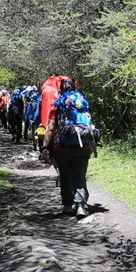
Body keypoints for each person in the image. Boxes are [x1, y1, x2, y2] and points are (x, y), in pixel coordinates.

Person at [46, 82, 100, 218]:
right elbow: (86, 125)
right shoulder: (81, 103)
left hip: (62, 149)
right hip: (83, 147)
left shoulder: (57, 105)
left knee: (65, 176)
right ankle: (81, 205)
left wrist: (45, 147)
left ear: (60, 90)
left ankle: (68, 206)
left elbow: (51, 128)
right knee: (79, 175)